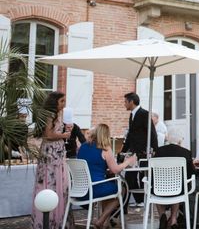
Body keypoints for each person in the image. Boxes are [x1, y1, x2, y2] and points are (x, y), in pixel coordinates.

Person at [78, 124, 137, 229]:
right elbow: (115, 170)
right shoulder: (105, 149)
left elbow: (92, 165)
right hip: (94, 187)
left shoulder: (83, 147)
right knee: (121, 190)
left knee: (109, 186)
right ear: (106, 135)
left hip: (80, 188)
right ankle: (101, 220)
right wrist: (128, 161)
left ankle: (106, 223)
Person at [31, 91, 71, 229]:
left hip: (57, 152)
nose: (64, 104)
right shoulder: (49, 114)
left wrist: (64, 131)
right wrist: (64, 135)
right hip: (51, 152)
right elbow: (48, 134)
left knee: (60, 182)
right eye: (62, 101)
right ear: (55, 102)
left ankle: (58, 218)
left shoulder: (57, 115)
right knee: (51, 182)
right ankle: (49, 220)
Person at [154, 128, 195, 229]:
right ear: (180, 140)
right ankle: (173, 220)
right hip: (178, 189)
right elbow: (190, 173)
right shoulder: (186, 152)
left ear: (167, 138)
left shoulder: (159, 151)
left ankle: (162, 216)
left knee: (156, 187)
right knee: (179, 185)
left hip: (159, 188)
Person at [122, 92, 158, 204]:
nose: (124, 104)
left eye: (125, 102)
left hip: (143, 152)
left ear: (131, 102)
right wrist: (123, 151)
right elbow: (131, 135)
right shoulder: (132, 115)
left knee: (142, 178)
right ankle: (137, 201)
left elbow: (152, 133)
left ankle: (133, 203)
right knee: (129, 178)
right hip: (133, 153)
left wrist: (155, 151)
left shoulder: (144, 114)